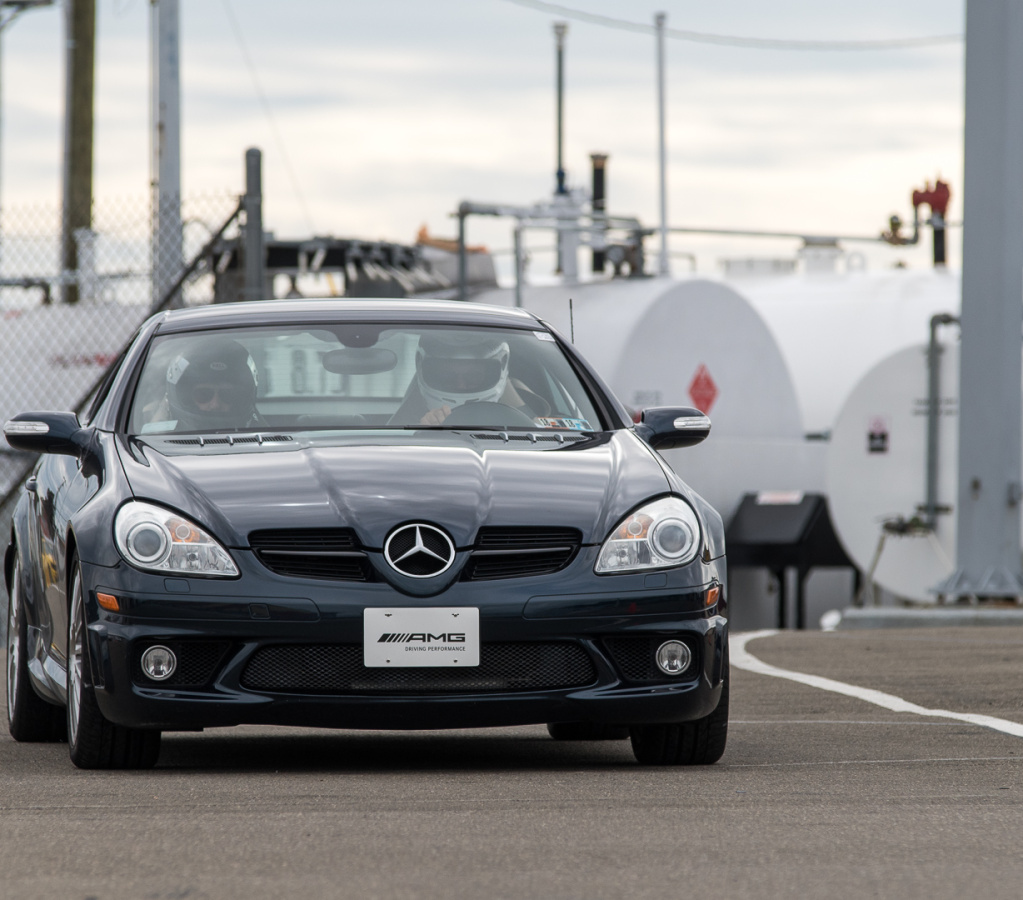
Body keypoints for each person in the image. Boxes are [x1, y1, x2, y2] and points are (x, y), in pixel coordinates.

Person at [390, 331, 548, 426]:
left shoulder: (531, 411)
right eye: (448, 377)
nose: (461, 385)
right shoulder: (409, 420)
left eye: (473, 377)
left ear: (498, 371)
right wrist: (424, 431)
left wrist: (532, 424)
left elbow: (554, 430)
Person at [162, 337, 264, 431]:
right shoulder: (158, 440)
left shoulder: (261, 438)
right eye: (204, 395)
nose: (215, 404)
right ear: (188, 399)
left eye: (227, 395)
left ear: (238, 400)